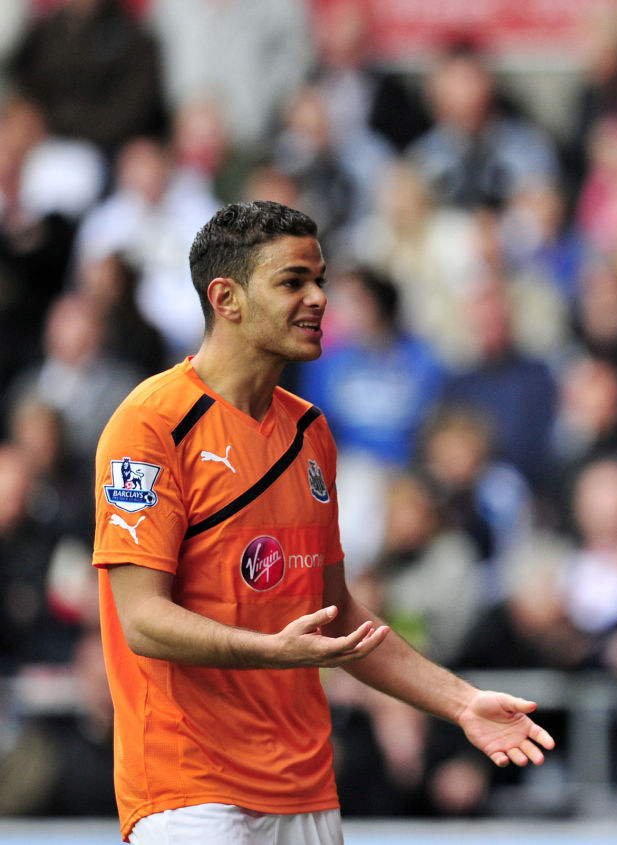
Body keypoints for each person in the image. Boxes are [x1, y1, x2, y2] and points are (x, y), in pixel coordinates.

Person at [90, 200, 554, 844]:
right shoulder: (150, 425)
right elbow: (142, 620)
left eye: (320, 280)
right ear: (226, 299)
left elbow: (334, 613)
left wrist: (461, 702)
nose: (318, 299)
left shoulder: (310, 431)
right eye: (293, 282)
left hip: (306, 787)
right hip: (190, 791)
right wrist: (271, 652)